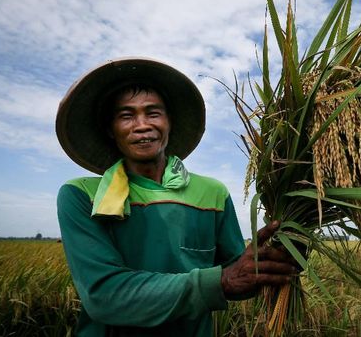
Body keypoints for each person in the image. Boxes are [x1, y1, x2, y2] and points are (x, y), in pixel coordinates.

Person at [55, 57, 296, 336]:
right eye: (126, 115)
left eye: (153, 113)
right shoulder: (81, 194)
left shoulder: (213, 193)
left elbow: (238, 278)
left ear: (169, 122)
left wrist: (275, 258)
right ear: (111, 129)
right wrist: (221, 282)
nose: (142, 124)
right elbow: (104, 295)